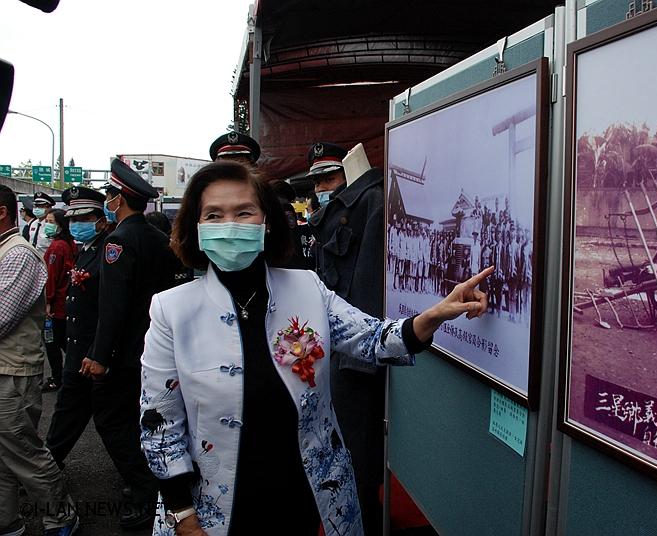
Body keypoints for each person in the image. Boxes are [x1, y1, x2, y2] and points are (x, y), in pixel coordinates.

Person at [138, 161, 491, 536]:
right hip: (215, 511)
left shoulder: (306, 288)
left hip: (306, 496)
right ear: (196, 226)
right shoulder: (172, 310)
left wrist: (434, 315)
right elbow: (159, 425)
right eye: (214, 215)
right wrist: (183, 515)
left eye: (243, 212)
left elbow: (372, 339)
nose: (230, 225)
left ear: (266, 221)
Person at [79, 158, 184, 529]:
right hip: (157, 348)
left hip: (125, 354)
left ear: (118, 200)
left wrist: (99, 356)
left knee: (111, 420)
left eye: (109, 196)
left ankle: (143, 488)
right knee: (150, 421)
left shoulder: (118, 242)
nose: (108, 201)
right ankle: (153, 483)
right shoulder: (159, 239)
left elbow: (114, 307)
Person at [306, 141, 388, 533]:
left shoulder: (371, 203)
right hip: (333, 347)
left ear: (347, 172)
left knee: (358, 451)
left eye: (329, 177)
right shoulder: (337, 210)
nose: (321, 187)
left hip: (356, 353)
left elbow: (369, 281)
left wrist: (359, 357)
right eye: (317, 181)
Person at [0, 185, 79, 536]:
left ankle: (62, 515)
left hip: (11, 371)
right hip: (5, 367)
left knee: (22, 449)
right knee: (3, 454)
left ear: (2, 212)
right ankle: (7, 521)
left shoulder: (18, 255)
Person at [45, 186, 110, 466]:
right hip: (79, 351)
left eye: (83, 219)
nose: (75, 224)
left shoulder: (107, 252)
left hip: (91, 352)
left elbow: (111, 309)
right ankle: (50, 463)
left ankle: (144, 482)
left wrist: (96, 351)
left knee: (111, 423)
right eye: (72, 219)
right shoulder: (86, 249)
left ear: (101, 221)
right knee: (69, 410)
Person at [41, 208, 77, 392]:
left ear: (61, 225)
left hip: (56, 304)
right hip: (65, 302)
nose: (46, 225)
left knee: (52, 342)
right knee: (64, 341)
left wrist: (47, 301)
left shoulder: (57, 247)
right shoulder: (69, 243)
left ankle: (58, 377)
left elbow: (51, 277)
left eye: (51, 222)